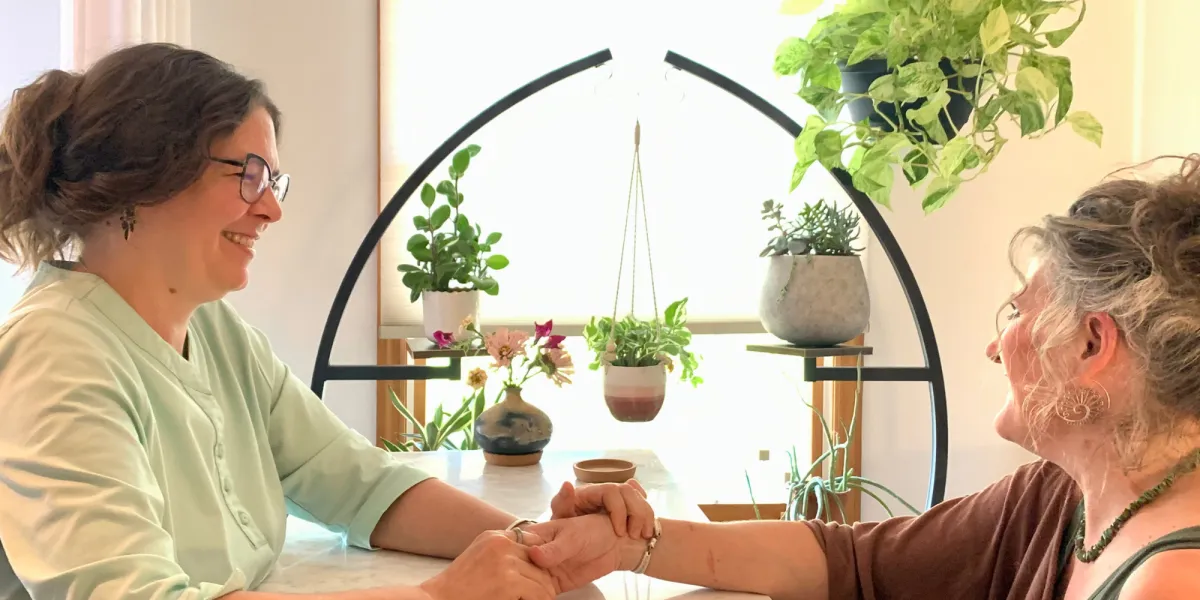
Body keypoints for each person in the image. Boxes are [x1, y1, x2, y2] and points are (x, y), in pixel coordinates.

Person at [0, 43, 656, 600]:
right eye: (249, 175)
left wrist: (536, 543)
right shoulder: (55, 359)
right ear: (143, 172)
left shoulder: (216, 333)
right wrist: (441, 595)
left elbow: (359, 483)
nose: (271, 211)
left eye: (274, 183)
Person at [524, 156, 1200, 600]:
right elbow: (845, 560)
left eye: (1017, 314)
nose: (995, 347)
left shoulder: (1172, 579)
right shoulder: (1059, 498)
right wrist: (626, 545)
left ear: (1092, 344)